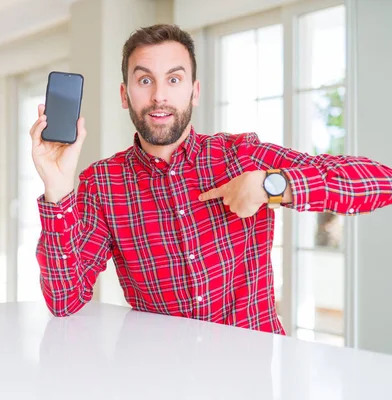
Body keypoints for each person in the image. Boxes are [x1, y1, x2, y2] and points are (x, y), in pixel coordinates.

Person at [29, 24, 392, 334]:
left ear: (194, 91)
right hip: (162, 379)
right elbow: (63, 300)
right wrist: (57, 189)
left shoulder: (242, 156)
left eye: (174, 79)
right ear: (125, 95)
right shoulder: (102, 184)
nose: (159, 95)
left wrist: (270, 186)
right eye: (144, 80)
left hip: (253, 376)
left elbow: (380, 181)